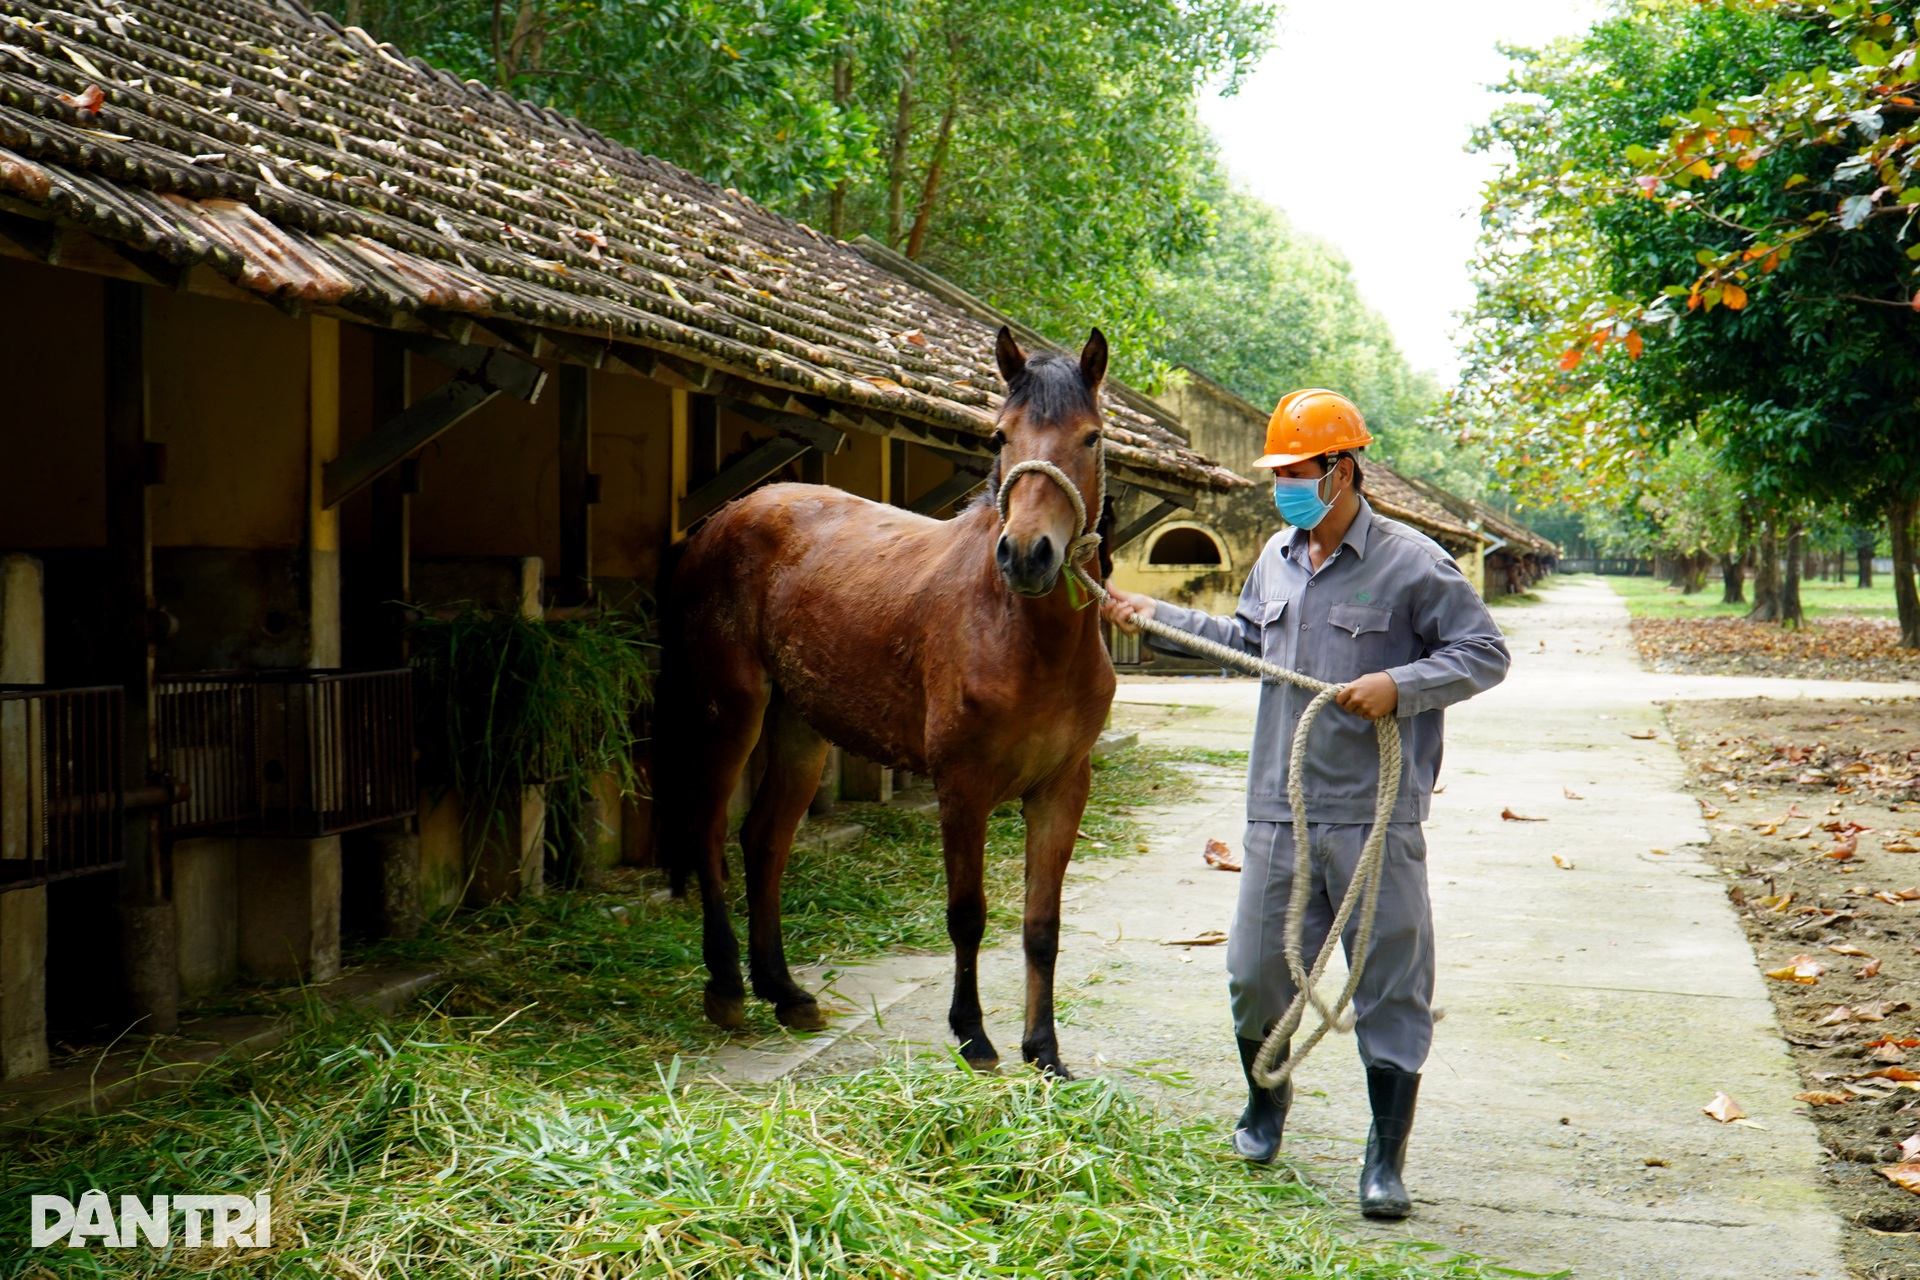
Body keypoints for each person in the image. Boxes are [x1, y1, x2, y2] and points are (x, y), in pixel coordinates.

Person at [1101, 388, 1510, 1219]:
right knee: (1254, 973)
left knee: (1389, 985)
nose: (1285, 484)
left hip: (1375, 813)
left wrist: (1399, 685)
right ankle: (1265, 1100)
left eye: (1297, 470)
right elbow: (1253, 645)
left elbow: (1484, 654)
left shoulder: (1413, 563)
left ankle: (1384, 1159)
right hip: (1279, 807)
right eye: (1279, 471)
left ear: (1343, 468)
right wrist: (1158, 617)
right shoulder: (1275, 558)